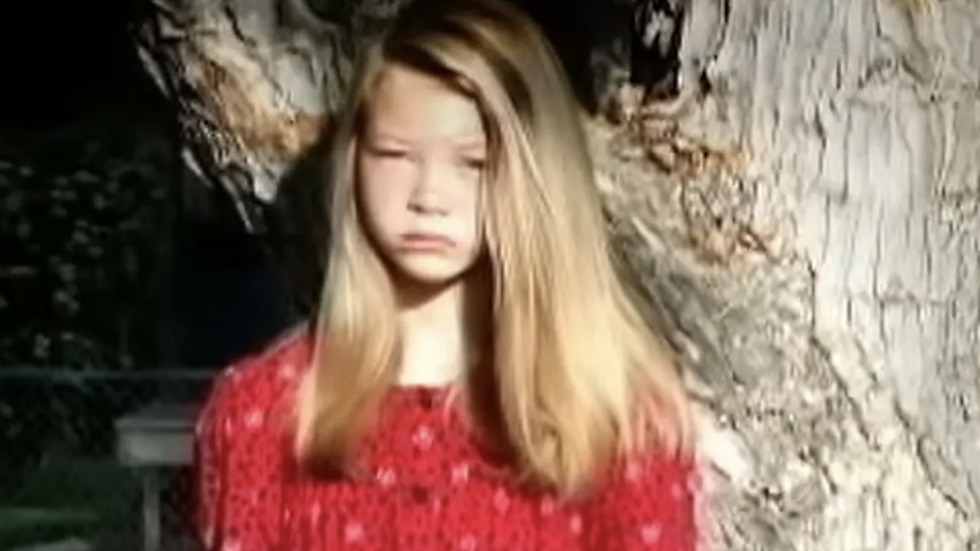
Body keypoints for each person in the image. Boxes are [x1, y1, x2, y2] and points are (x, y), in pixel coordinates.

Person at [192, 0, 700, 549]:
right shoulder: (260, 416)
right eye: (396, 154)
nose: (429, 196)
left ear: (535, 175)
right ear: (354, 161)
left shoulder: (619, 426)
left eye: (473, 163)